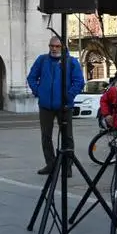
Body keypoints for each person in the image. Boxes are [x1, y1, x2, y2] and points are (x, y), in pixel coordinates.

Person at [26, 37, 85, 176]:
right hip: (46, 105)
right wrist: (38, 91)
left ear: (63, 47)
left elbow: (79, 82)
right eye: (51, 46)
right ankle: (50, 164)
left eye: (57, 46)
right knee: (45, 136)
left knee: (67, 137)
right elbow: (31, 77)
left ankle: (67, 166)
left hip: (64, 106)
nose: (54, 49)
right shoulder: (42, 60)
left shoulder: (71, 62)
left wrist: (68, 96)